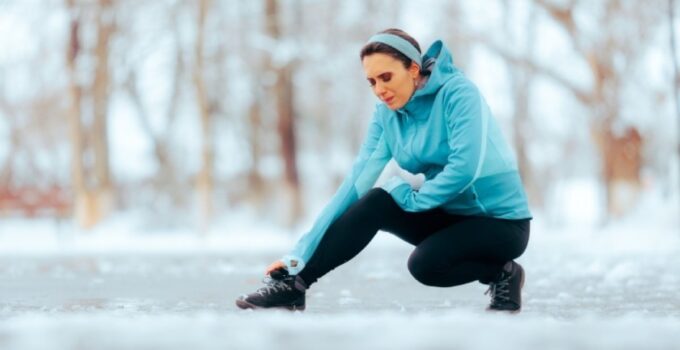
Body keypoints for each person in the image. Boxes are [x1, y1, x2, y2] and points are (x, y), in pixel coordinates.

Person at [235, 28, 532, 313]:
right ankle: (294, 285)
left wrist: (415, 200)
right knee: (377, 200)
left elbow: (465, 168)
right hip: (451, 216)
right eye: (372, 82)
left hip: (501, 223)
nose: (380, 90)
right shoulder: (387, 116)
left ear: (413, 69)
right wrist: (297, 257)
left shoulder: (458, 94)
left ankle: (503, 272)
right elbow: (355, 184)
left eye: (386, 77)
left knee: (426, 266)